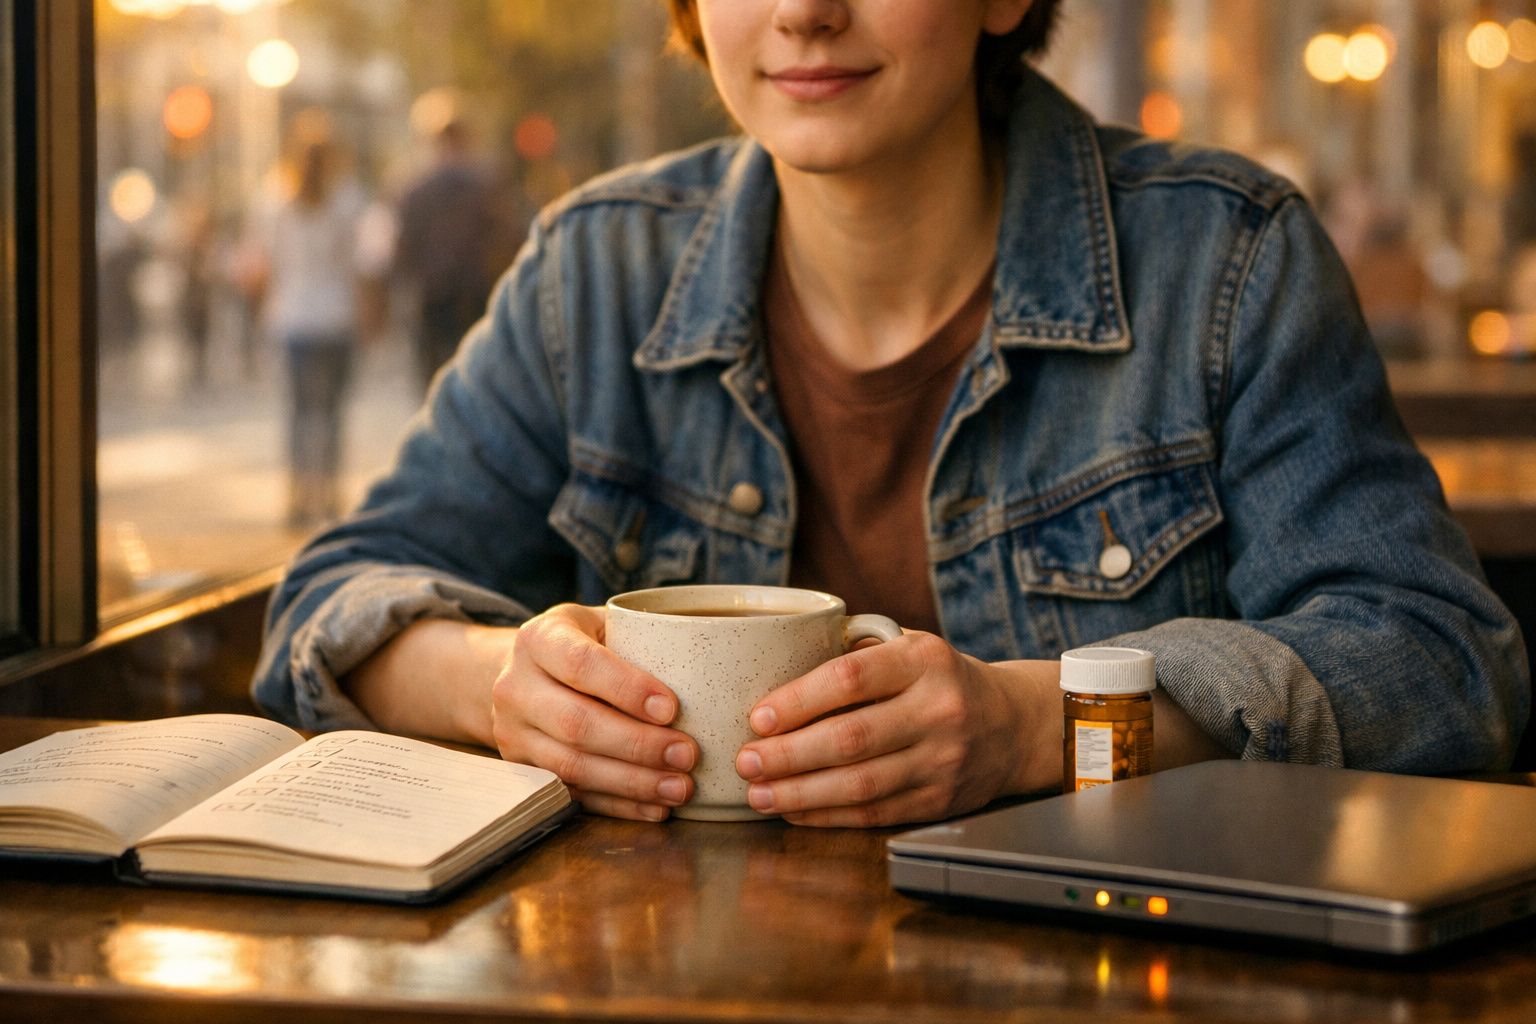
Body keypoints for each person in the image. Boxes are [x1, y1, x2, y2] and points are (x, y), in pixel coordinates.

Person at [253, 0, 1529, 827]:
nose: (807, 11)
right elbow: (328, 602)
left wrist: (1038, 726)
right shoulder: (597, 271)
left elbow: (1444, 666)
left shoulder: (1224, 260)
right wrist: (500, 684)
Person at [252, 117, 368, 528]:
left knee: (299, 413)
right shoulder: (349, 200)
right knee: (332, 412)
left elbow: (266, 262)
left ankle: (298, 495)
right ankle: (330, 494)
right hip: (336, 316)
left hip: (292, 318)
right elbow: (359, 263)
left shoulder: (275, 199)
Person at [393, 105, 500, 393]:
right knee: (474, 375)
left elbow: (402, 243)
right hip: (472, 289)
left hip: (434, 290)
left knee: (434, 377)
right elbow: (502, 236)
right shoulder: (486, 183)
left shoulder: (414, 186)